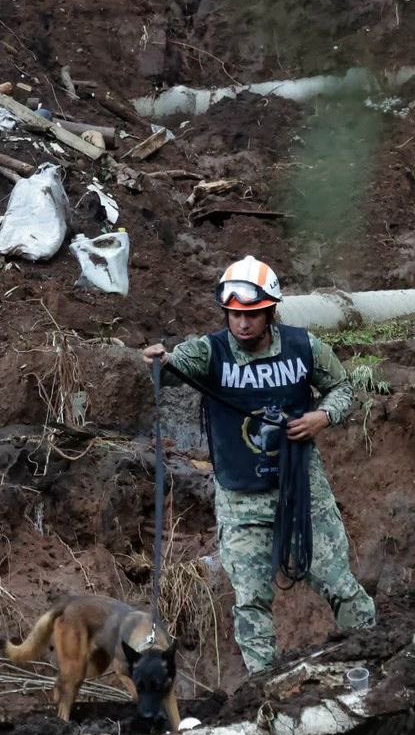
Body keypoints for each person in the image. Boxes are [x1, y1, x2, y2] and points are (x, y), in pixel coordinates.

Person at [142, 256, 376, 675]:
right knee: (250, 600)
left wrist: (323, 416)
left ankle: (369, 665)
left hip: (302, 490)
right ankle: (264, 690)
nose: (242, 324)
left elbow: (342, 387)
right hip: (241, 498)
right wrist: (161, 360)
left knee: (340, 584)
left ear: (269, 312)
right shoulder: (210, 352)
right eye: (234, 315)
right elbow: (176, 367)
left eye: (251, 315)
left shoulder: (304, 348)